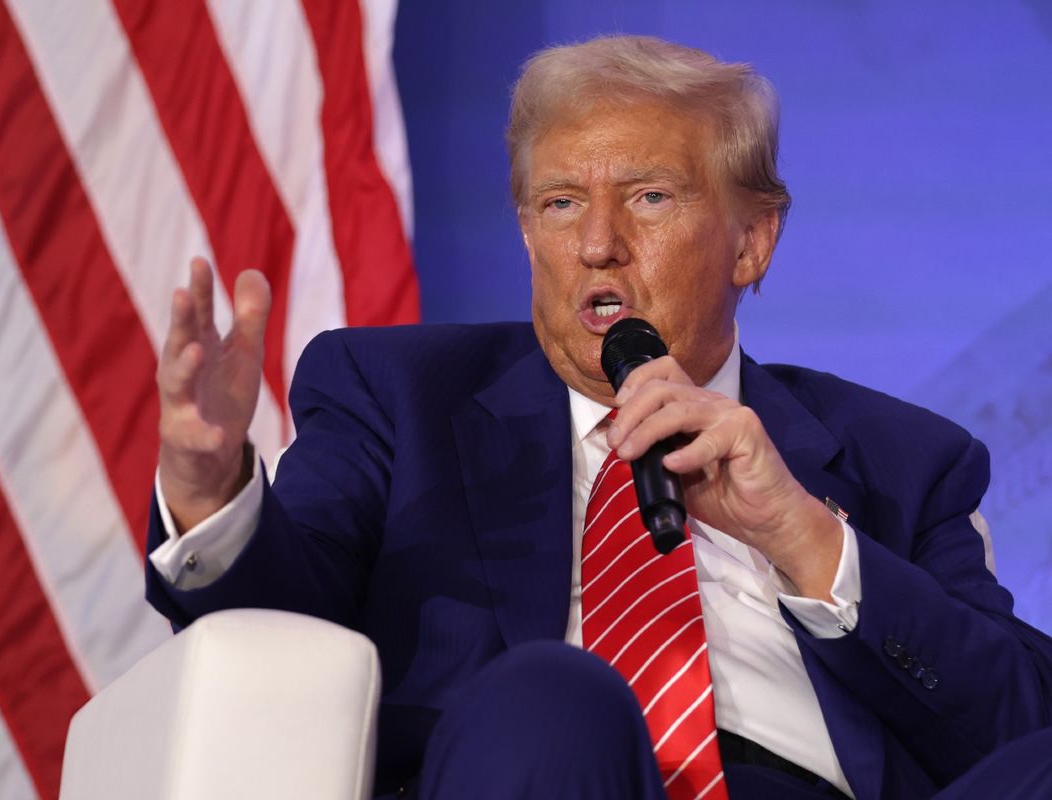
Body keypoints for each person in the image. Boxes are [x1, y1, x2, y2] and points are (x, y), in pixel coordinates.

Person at [145, 35, 1052, 799]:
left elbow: (1018, 726)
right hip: (545, 762)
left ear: (752, 240)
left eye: (649, 197)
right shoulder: (395, 392)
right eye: (561, 202)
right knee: (551, 698)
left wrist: (809, 542)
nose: (596, 244)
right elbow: (275, 632)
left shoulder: (906, 458)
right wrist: (208, 488)